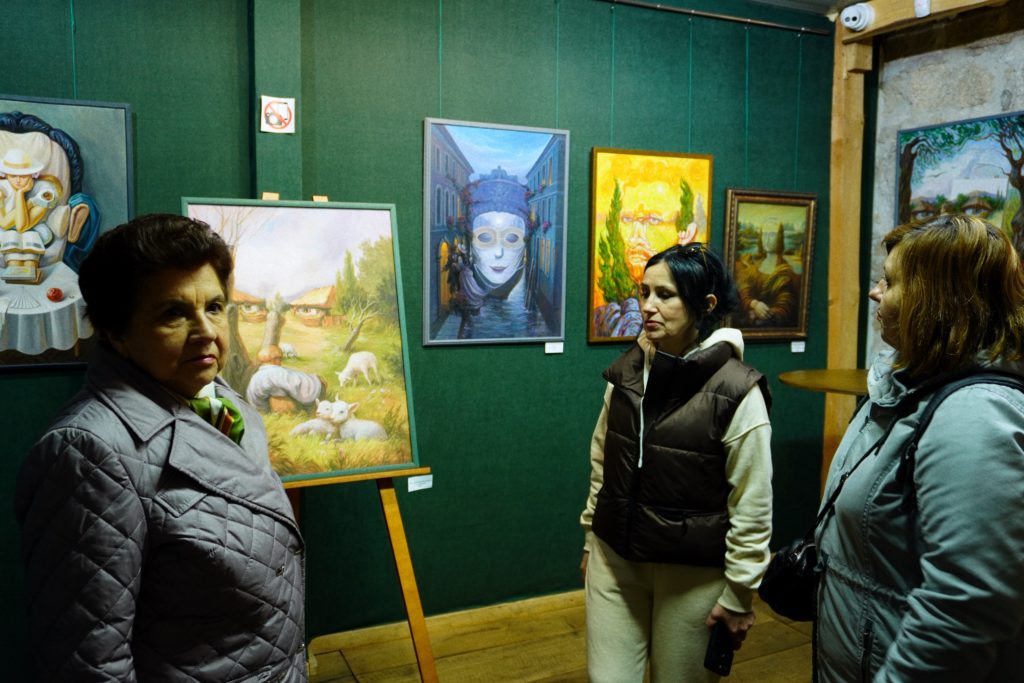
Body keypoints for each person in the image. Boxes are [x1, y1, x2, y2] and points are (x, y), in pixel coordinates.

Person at [14, 214, 307, 681]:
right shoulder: (88, 453)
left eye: (215, 307)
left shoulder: (227, 404)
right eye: (174, 313)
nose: (206, 330)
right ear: (115, 331)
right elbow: (90, 662)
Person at [815, 214, 1024, 682]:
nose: (875, 292)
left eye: (889, 282)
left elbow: (964, 608)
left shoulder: (976, 415)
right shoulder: (902, 384)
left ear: (936, 297)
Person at [579, 243, 774, 682]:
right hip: (616, 561)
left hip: (691, 575)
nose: (647, 306)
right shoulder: (627, 373)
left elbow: (753, 501)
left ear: (705, 303)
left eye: (664, 295)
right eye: (644, 292)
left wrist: (740, 591)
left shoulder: (737, 390)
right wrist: (591, 536)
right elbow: (603, 460)